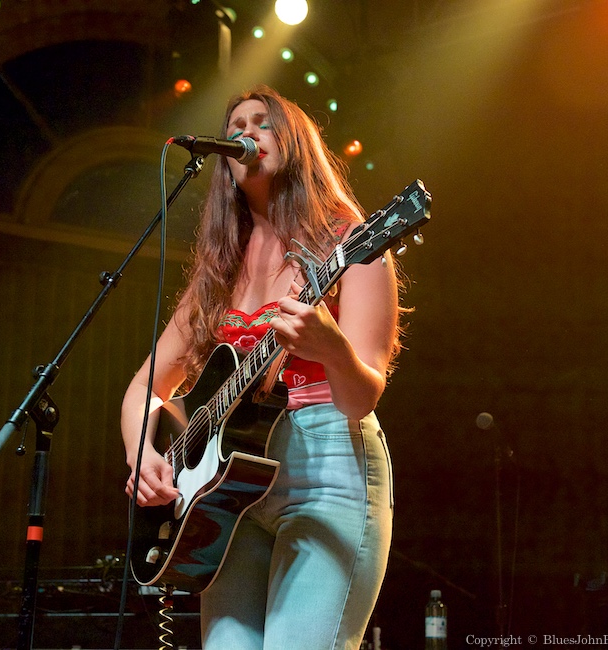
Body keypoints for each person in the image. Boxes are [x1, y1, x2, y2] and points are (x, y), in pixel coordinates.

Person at [122, 84, 402, 650]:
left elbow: (362, 395)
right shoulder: (220, 269)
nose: (243, 133)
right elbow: (144, 387)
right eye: (235, 125)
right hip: (226, 487)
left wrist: (330, 348)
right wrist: (144, 455)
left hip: (326, 466)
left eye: (262, 122)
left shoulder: (353, 242)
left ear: (295, 142)